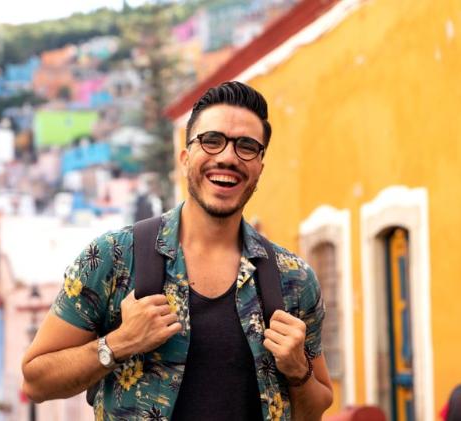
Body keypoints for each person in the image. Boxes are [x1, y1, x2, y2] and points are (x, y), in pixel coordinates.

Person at [21, 81, 333, 420]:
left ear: (259, 167)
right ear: (185, 157)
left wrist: (298, 370)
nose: (227, 157)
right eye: (212, 141)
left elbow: (315, 409)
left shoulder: (293, 279)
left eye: (246, 146)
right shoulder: (114, 258)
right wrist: (120, 343)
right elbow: (36, 381)